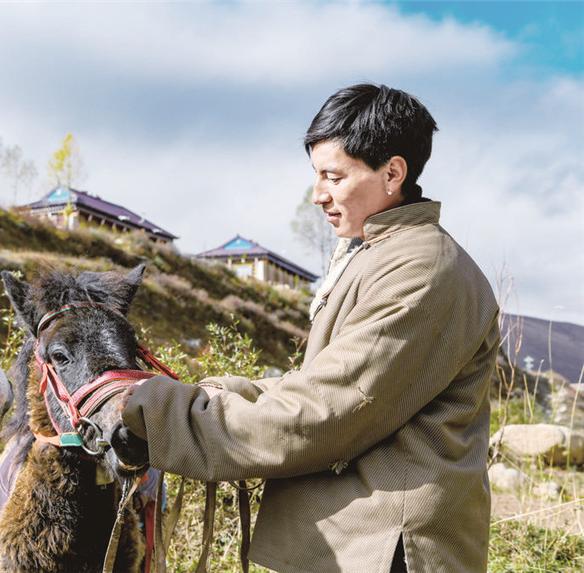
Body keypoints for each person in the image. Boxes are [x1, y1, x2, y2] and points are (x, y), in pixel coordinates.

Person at [111, 83, 501, 572]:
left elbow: (328, 411)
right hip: (358, 543)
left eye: (333, 177)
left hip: (385, 551)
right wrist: (219, 393)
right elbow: (322, 383)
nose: (318, 195)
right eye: (316, 176)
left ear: (392, 173)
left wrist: (168, 417)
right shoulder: (381, 254)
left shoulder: (422, 269)